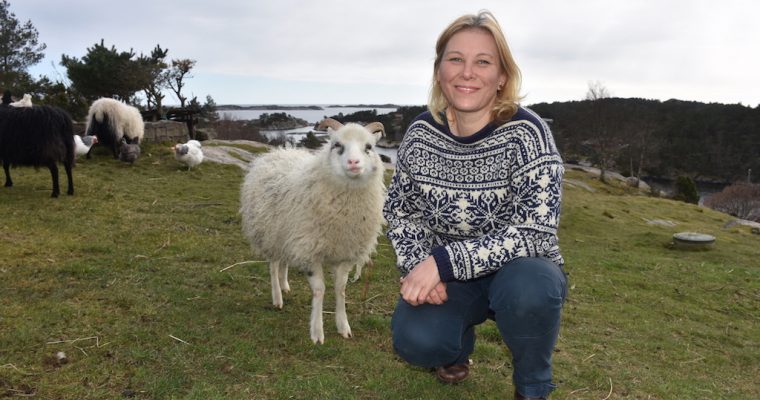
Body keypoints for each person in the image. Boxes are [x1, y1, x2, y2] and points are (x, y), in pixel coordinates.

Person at [383, 10, 567, 400]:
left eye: (483, 62)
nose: (468, 73)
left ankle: (532, 385)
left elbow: (536, 230)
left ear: (501, 76)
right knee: (416, 340)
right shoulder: (420, 136)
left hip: (521, 271)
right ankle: (455, 348)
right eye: (455, 59)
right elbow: (401, 212)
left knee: (531, 290)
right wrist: (420, 263)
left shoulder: (528, 134)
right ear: (438, 72)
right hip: (450, 277)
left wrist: (443, 262)